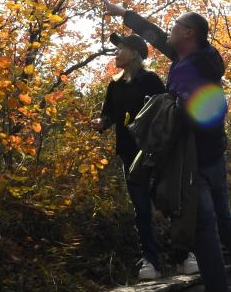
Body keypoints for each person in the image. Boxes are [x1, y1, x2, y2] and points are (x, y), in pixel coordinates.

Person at [104, 2, 231, 292]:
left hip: (195, 160)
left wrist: (167, 114)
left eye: (175, 26)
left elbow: (200, 112)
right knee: (225, 223)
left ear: (188, 33)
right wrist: (124, 14)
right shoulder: (191, 57)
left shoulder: (191, 68)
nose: (169, 29)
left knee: (205, 229)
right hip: (210, 156)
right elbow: (155, 35)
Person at [91, 32, 167, 280]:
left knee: (168, 203)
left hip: (155, 153)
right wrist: (102, 122)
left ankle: (186, 254)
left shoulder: (152, 80)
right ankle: (150, 261)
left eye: (120, 48)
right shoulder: (114, 84)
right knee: (141, 208)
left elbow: (167, 113)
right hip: (128, 154)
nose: (116, 53)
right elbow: (109, 114)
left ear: (134, 53)